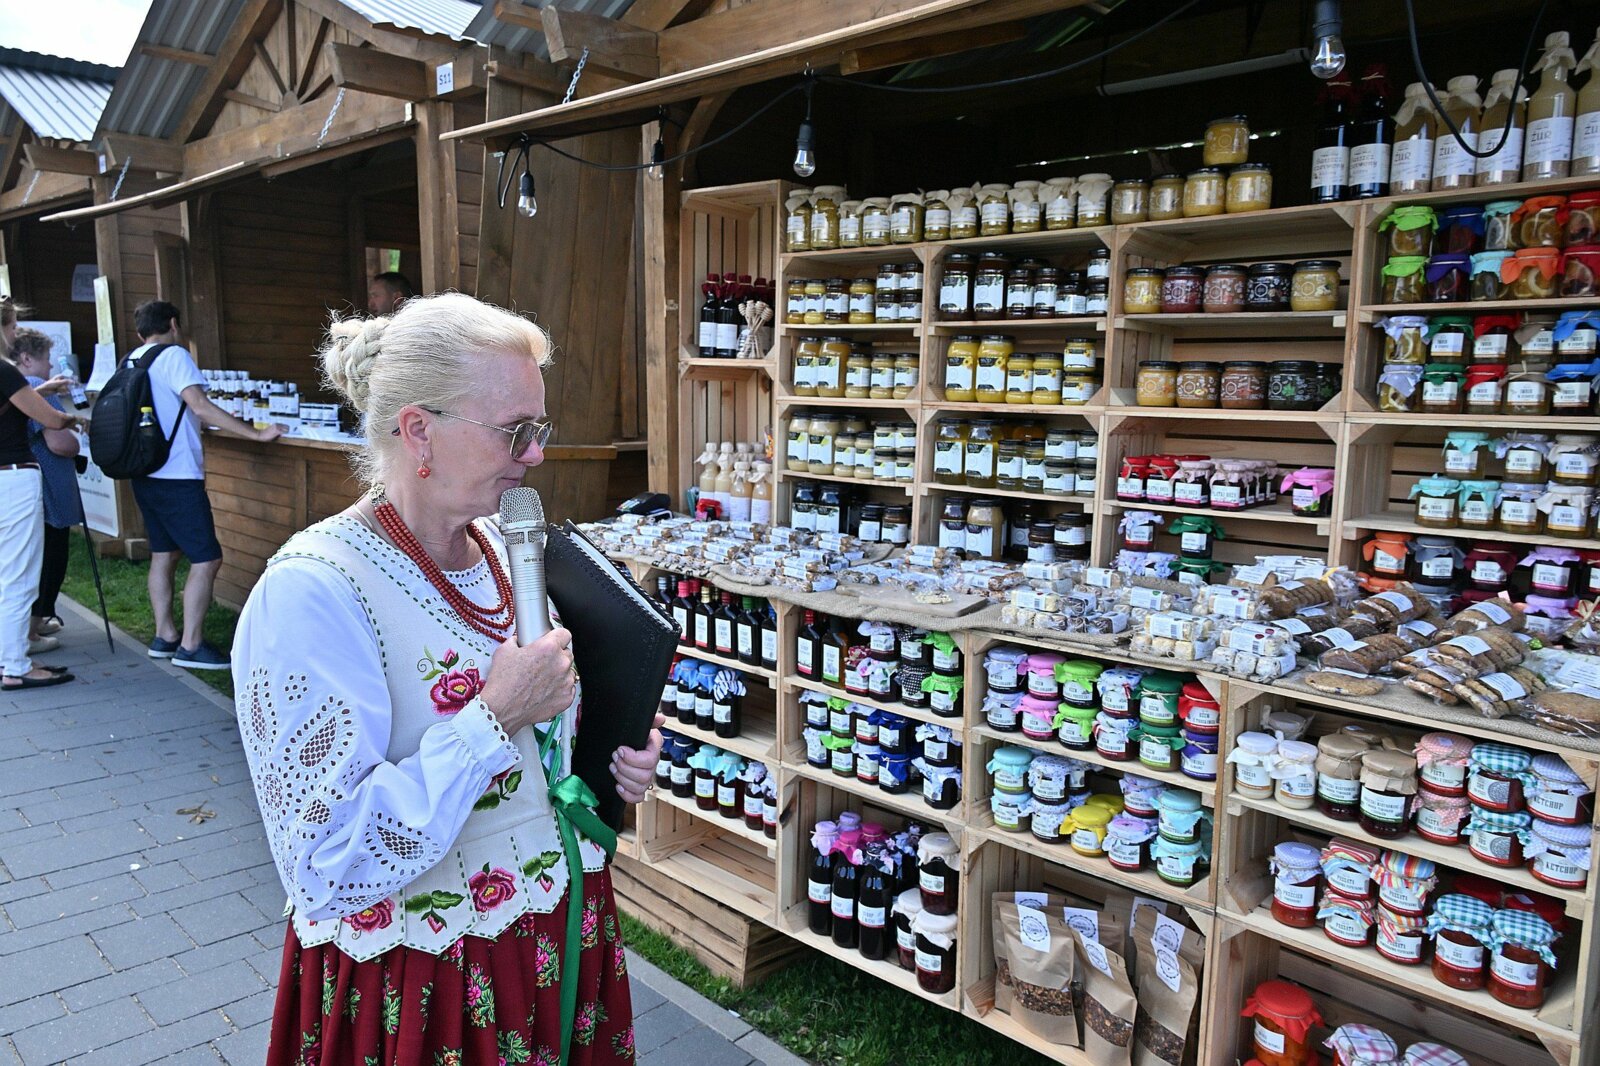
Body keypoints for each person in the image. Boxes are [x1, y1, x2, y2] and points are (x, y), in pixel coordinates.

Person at [233, 292, 657, 1065]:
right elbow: (325, 862)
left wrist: (608, 750)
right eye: (515, 431)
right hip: (426, 969)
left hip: (555, 922)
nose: (535, 455)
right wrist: (494, 717)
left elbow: (542, 728)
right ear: (418, 430)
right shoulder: (314, 590)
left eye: (539, 428)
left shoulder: (505, 543)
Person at [126, 300, 285, 671]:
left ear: (140, 330)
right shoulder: (173, 355)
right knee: (207, 558)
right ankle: (191, 645)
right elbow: (199, 406)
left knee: (163, 554)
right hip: (177, 475)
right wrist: (255, 434)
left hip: (145, 471)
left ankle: (165, 636)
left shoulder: (131, 360)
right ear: (173, 324)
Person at [1, 319, 81, 690]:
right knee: (18, 578)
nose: (15, 333)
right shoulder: (5, 372)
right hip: (13, 477)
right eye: (11, 326)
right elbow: (51, 419)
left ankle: (10, 656)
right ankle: (16, 666)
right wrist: (75, 418)